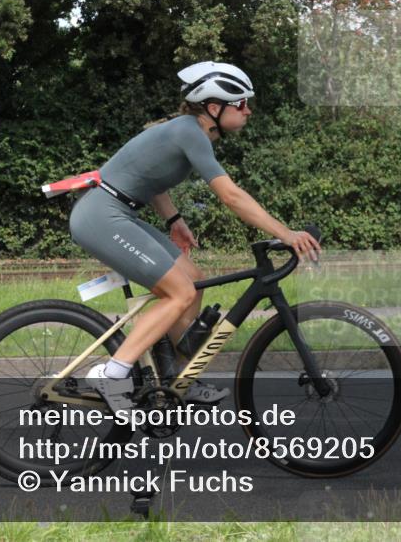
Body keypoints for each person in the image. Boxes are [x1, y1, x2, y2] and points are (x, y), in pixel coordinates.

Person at [69, 61, 321, 411]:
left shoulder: (187, 131)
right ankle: (113, 373)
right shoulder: (189, 132)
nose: (248, 111)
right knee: (179, 292)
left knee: (193, 279)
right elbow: (231, 196)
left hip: (116, 211)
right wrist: (286, 233)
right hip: (101, 216)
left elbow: (149, 177)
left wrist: (174, 219)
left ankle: (179, 381)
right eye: (242, 104)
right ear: (214, 108)